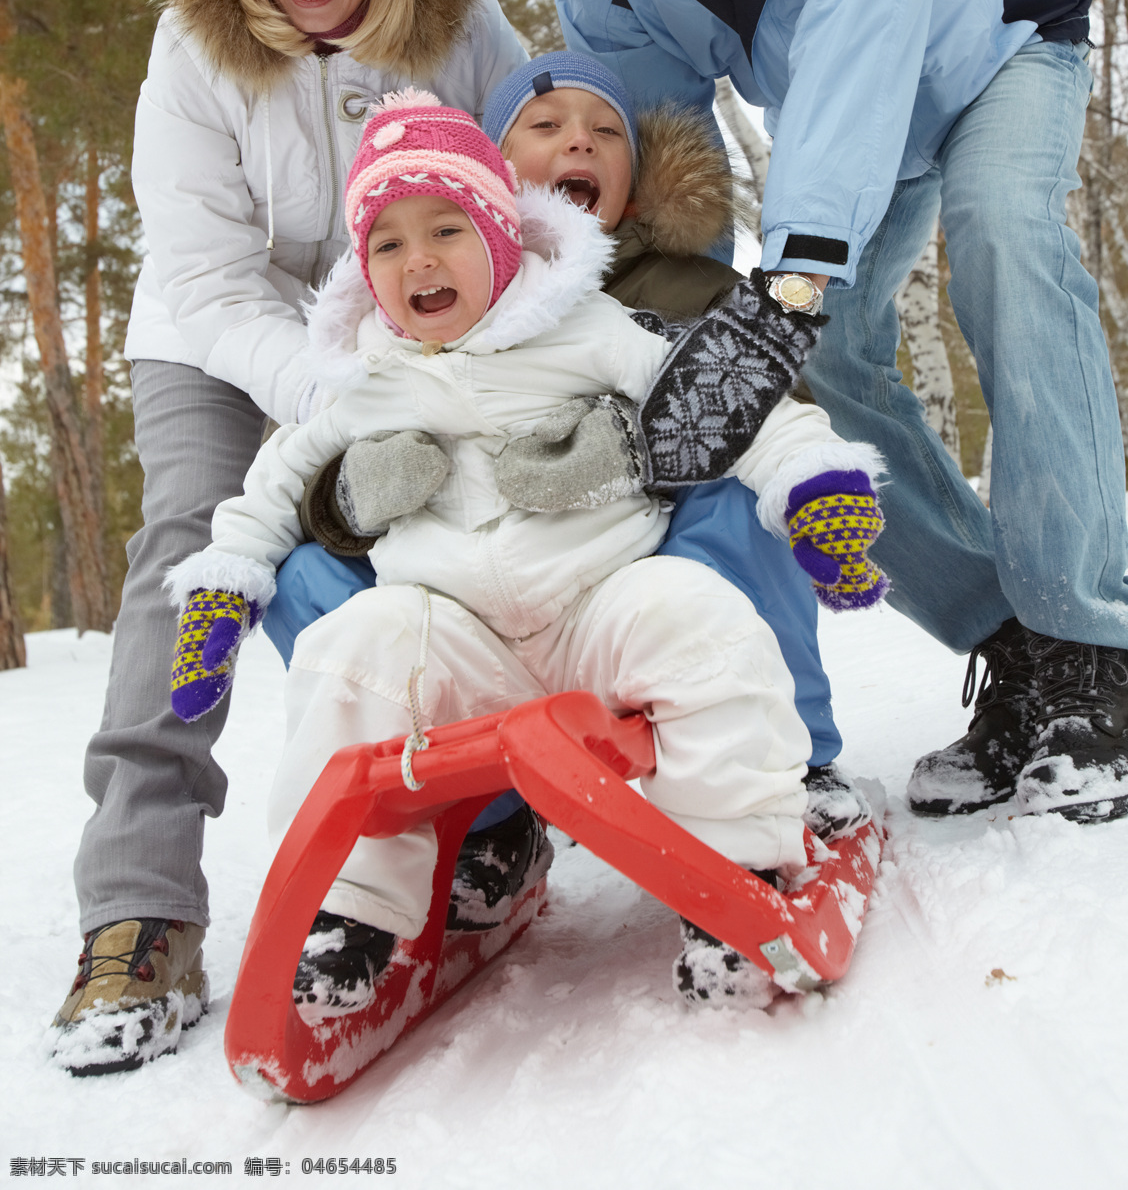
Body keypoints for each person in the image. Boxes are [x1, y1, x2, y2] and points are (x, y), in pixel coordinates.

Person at [491, 0, 1128, 829]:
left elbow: (868, 28)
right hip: (849, 145)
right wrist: (652, 346)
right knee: (821, 384)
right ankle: (1016, 649)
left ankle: (1096, 654)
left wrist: (794, 280)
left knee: (1007, 247)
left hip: (990, 59)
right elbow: (670, 173)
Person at [166, 89, 889, 1010]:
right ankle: (351, 909)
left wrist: (815, 479)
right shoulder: (365, 376)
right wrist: (224, 589)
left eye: (445, 230)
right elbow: (274, 483)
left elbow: (720, 402)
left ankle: (740, 866)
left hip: (597, 606)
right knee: (351, 651)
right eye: (387, 244)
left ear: (502, 236)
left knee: (697, 615)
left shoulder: (582, 328)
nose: (417, 258)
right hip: (458, 637)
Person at [50, 0, 526, 1077]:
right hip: (213, 332)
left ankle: (483, 813)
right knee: (196, 549)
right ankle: (140, 904)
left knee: (442, 538)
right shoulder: (193, 44)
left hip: (401, 318)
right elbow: (204, 276)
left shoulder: (463, 26)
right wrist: (321, 390)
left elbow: (518, 193)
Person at [273, 51, 868, 846]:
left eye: (606, 132)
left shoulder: (690, 289)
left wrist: (630, 452)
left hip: (626, 578)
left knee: (736, 505)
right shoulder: (417, 305)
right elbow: (309, 459)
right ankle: (478, 820)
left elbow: (762, 418)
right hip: (472, 601)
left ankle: (789, 764)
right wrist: (351, 496)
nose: (579, 143)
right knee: (304, 580)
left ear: (634, 169)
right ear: (493, 164)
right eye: (546, 125)